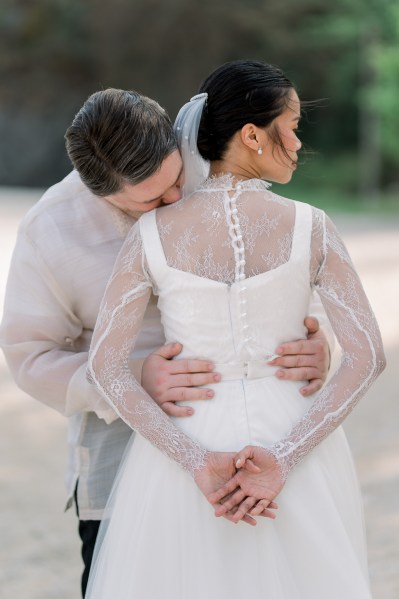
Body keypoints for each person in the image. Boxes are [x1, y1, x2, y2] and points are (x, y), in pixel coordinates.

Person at [0, 88, 331, 597]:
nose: (175, 201)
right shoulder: (52, 231)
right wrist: (128, 381)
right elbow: (29, 355)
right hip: (119, 454)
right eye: (151, 200)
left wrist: (313, 338)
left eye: (177, 179)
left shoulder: (211, 169)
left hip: (241, 444)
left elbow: (266, 264)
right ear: (101, 192)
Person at [84, 60, 385, 599]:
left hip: (187, 444)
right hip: (292, 434)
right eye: (292, 126)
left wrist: (196, 461)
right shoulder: (313, 226)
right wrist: (287, 457)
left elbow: (105, 367)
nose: (297, 142)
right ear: (252, 135)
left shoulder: (150, 233)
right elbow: (368, 358)